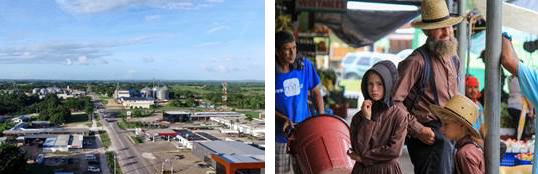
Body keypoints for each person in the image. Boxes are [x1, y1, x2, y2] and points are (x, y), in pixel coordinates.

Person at [393, 0, 463, 173]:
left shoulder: (454, 59)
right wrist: (418, 130)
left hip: (449, 131)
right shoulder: (416, 61)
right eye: (441, 27)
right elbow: (393, 101)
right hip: (428, 136)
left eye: (449, 26)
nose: (447, 32)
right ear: (427, 30)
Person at [275, 30, 324, 174]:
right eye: (287, 49)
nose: (292, 53)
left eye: (294, 48)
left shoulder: (305, 66)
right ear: (277, 52)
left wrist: (321, 118)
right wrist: (283, 118)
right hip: (280, 138)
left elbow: (316, 93)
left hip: (304, 134)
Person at [348, 61, 408, 174]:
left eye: (380, 84)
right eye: (370, 84)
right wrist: (367, 120)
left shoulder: (399, 116)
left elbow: (394, 151)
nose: (374, 89)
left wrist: (363, 158)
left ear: (388, 85)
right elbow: (358, 149)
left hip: (387, 171)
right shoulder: (358, 117)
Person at [430, 95, 485, 174]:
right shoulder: (469, 148)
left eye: (446, 124)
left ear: (461, 125)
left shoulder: (464, 154)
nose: (441, 129)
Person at [501, 35, 538, 105]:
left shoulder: (510, 78)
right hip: (518, 105)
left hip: (514, 105)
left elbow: (509, 60)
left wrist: (505, 37)